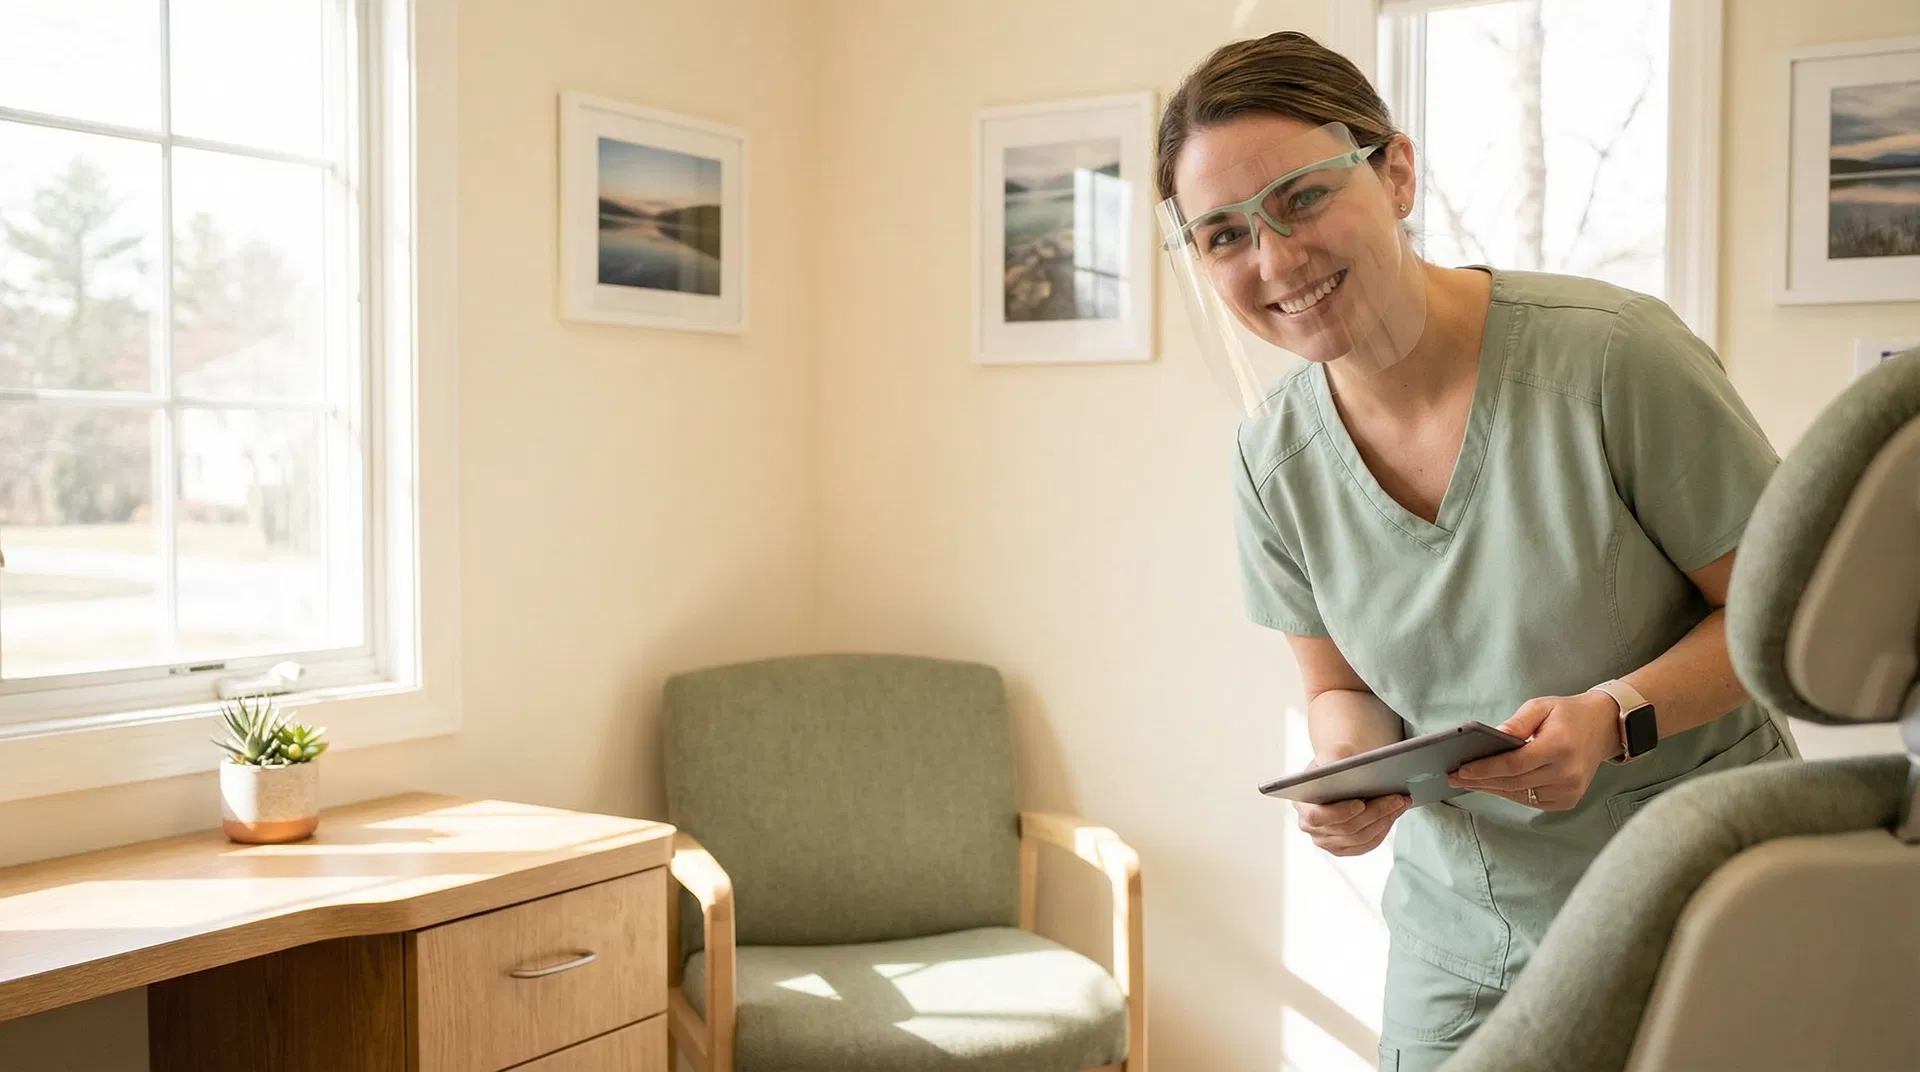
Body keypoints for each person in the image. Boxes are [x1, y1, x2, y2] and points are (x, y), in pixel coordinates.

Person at [1153, 31, 1798, 1072]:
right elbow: (1340, 687)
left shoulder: (1615, 360)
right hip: (1466, 930)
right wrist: (1345, 769)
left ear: (1395, 170)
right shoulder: (1272, 461)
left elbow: (1783, 631)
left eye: (1302, 200)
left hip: (1699, 885)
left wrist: (1614, 718)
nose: (1275, 262)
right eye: (1223, 235)